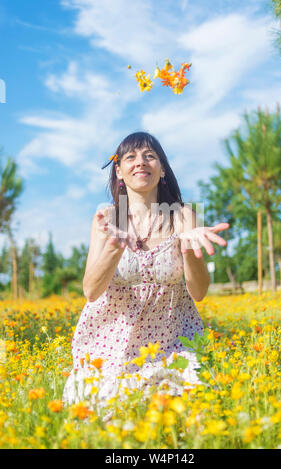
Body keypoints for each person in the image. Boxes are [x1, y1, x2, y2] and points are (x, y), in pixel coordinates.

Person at [62, 131, 229, 417]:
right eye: (131, 157)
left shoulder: (184, 215)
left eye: (150, 155)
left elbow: (199, 293)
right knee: (104, 415)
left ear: (162, 169)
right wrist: (115, 248)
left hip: (172, 342)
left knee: (194, 409)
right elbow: (90, 291)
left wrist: (189, 249)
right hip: (110, 344)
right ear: (119, 171)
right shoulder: (106, 218)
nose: (141, 162)